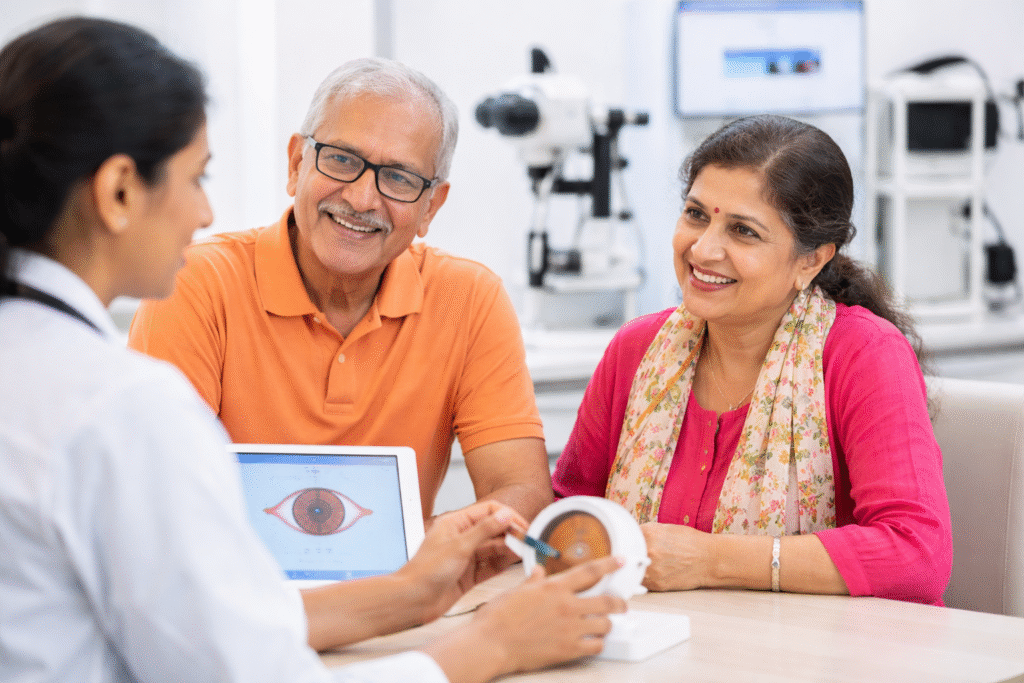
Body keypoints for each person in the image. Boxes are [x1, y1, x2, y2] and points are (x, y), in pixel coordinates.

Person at [0, 17, 627, 683]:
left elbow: (208, 623)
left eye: (397, 178)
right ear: (120, 191)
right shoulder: (119, 406)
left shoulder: (36, 361)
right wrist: (485, 649)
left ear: (432, 203)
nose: (205, 212)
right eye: (196, 178)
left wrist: (412, 593)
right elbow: (235, 664)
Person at [126, 56, 552, 528]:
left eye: (399, 177)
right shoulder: (195, 284)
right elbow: (160, 500)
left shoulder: (470, 298)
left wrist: (401, 551)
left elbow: (521, 493)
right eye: (342, 159)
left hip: (404, 596)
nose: (361, 198)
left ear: (431, 206)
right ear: (296, 164)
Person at [552, 114, 953, 605]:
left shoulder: (863, 354)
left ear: (811, 260)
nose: (702, 249)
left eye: (743, 231)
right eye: (696, 214)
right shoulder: (637, 351)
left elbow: (916, 556)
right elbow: (570, 514)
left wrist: (710, 560)